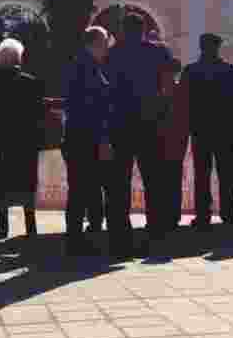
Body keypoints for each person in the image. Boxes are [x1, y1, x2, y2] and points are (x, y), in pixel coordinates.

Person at [107, 13, 174, 250]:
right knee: (154, 180)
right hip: (151, 124)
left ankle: (119, 234)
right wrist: (162, 113)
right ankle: (156, 230)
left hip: (120, 125)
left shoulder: (111, 53)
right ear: (144, 29)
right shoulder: (159, 52)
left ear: (123, 30)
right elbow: (168, 88)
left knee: (118, 183)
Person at [62, 26, 119, 255]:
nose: (108, 46)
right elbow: (93, 109)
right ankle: (79, 240)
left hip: (78, 136)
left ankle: (80, 237)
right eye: (105, 41)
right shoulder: (86, 68)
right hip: (87, 138)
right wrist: (103, 140)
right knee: (83, 189)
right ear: (95, 42)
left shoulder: (82, 65)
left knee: (83, 189)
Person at [0, 38, 45, 240]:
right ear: (19, 58)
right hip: (26, 143)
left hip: (0, 144)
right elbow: (38, 116)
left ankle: (2, 229)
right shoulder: (31, 82)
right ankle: (30, 227)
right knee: (27, 185)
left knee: (2, 187)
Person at [182, 33, 233, 231]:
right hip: (225, 129)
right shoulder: (230, 70)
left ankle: (203, 215)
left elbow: (184, 101)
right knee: (226, 173)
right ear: (218, 48)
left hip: (200, 129)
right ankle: (228, 214)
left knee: (202, 173)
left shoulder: (191, 71)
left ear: (202, 47)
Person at [155, 57, 189, 234]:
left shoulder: (177, 91)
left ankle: (172, 215)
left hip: (174, 141)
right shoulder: (163, 92)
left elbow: (184, 119)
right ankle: (165, 214)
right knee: (163, 179)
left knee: (172, 179)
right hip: (164, 141)